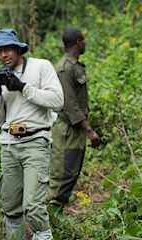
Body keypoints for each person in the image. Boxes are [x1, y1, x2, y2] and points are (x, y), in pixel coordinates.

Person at [0, 28, 64, 240]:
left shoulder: (41, 66)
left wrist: (23, 87)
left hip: (35, 142)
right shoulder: (2, 75)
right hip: (9, 145)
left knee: (33, 205)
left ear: (18, 49)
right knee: (11, 206)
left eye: (8, 49)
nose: (4, 55)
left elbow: (58, 100)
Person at [49, 28, 100, 208]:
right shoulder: (65, 69)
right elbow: (70, 104)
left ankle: (56, 217)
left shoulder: (75, 66)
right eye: (83, 40)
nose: (85, 43)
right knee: (62, 175)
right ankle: (43, 221)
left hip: (76, 130)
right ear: (78, 42)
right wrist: (90, 131)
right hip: (67, 131)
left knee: (72, 173)